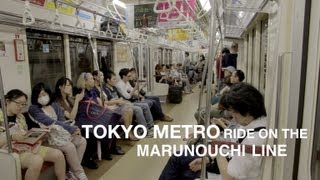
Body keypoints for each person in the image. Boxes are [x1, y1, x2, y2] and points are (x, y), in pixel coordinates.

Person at [159, 83, 267, 180]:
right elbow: (230, 144)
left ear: (246, 109)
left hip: (225, 173)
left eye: (234, 112)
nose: (232, 116)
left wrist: (216, 143)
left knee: (182, 171)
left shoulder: (254, 140)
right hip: (225, 162)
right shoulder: (250, 123)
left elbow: (228, 177)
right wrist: (208, 159)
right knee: (178, 159)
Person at [0, 89, 66, 180]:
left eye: (23, 104)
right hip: (8, 151)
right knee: (36, 160)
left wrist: (38, 135)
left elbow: (25, 133)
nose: (20, 107)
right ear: (7, 101)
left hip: (26, 145)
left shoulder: (20, 117)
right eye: (18, 103)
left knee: (58, 154)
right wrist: (11, 137)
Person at [28, 83, 88, 180]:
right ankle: (80, 173)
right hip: (46, 138)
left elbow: (62, 120)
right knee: (70, 146)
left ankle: (72, 172)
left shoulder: (54, 105)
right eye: (39, 96)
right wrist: (71, 129)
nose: (42, 97)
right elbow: (49, 121)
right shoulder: (34, 109)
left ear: (48, 94)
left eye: (44, 94)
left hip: (60, 135)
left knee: (82, 141)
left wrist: (74, 129)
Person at [75, 72, 124, 160]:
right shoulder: (82, 93)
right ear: (85, 82)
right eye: (91, 79)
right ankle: (90, 157)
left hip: (93, 116)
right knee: (103, 126)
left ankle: (109, 149)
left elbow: (99, 103)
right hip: (84, 118)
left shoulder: (92, 91)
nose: (93, 80)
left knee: (111, 121)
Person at [55, 77, 98, 169]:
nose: (70, 87)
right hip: (66, 125)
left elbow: (78, 110)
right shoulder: (57, 103)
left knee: (95, 128)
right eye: (67, 85)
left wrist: (78, 100)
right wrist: (77, 101)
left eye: (70, 85)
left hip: (77, 122)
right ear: (60, 87)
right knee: (89, 133)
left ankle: (87, 159)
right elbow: (71, 117)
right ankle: (86, 160)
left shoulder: (69, 98)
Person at [92, 70, 138, 141]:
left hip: (111, 105)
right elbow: (102, 102)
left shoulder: (101, 87)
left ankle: (128, 132)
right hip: (104, 109)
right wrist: (116, 101)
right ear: (94, 77)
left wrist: (118, 101)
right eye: (100, 75)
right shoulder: (94, 89)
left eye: (103, 75)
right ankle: (129, 133)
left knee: (130, 110)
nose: (102, 77)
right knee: (126, 111)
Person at [104, 71, 154, 137]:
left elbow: (121, 97)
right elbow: (111, 101)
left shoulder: (114, 88)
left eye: (116, 79)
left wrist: (124, 101)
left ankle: (150, 126)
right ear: (108, 80)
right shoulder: (105, 90)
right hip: (118, 107)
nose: (115, 81)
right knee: (138, 109)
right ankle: (143, 130)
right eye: (114, 79)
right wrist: (119, 101)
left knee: (145, 105)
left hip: (124, 103)